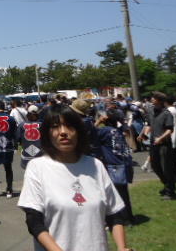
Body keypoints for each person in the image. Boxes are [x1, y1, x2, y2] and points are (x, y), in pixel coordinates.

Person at [18, 105, 132, 251]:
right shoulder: (37, 167)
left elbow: (114, 215)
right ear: (47, 134)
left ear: (79, 131)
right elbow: (34, 222)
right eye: (55, 127)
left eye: (69, 126)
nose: (63, 132)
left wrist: (122, 247)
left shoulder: (95, 165)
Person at [93, 112, 135, 224]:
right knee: (123, 194)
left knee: (114, 195)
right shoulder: (118, 130)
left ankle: (121, 219)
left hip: (114, 166)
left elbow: (89, 132)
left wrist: (98, 122)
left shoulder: (104, 131)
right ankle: (128, 217)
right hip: (124, 164)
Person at [139, 92, 176, 199]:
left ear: (159, 101)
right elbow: (149, 124)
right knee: (155, 166)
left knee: (166, 167)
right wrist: (144, 134)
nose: (152, 99)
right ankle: (167, 184)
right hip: (153, 143)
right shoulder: (151, 111)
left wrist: (161, 138)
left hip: (164, 144)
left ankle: (170, 191)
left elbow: (170, 130)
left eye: (154, 98)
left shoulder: (167, 114)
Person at [18, 105, 43, 169]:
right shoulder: (42, 125)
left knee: (28, 173)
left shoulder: (21, 125)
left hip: (26, 156)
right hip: (40, 157)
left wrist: (20, 150)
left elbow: (18, 140)